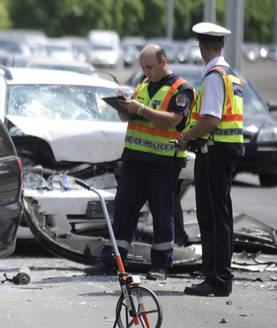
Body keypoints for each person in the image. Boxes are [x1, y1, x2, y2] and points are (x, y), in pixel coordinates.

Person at [85, 44, 194, 281]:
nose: (146, 72)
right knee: (124, 212)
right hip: (135, 160)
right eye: (143, 67)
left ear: (163, 61)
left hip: (163, 162)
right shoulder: (144, 84)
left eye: (150, 67)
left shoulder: (181, 89)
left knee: (162, 214)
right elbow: (129, 118)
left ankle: (161, 266)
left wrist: (141, 109)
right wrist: (123, 106)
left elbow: (174, 121)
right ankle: (112, 260)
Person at [178, 23, 244, 297]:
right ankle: (220, 276)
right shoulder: (232, 76)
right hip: (224, 153)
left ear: (201, 46)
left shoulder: (214, 76)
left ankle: (216, 279)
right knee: (221, 216)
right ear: (223, 45)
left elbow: (212, 119)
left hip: (214, 154)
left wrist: (185, 137)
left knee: (213, 218)